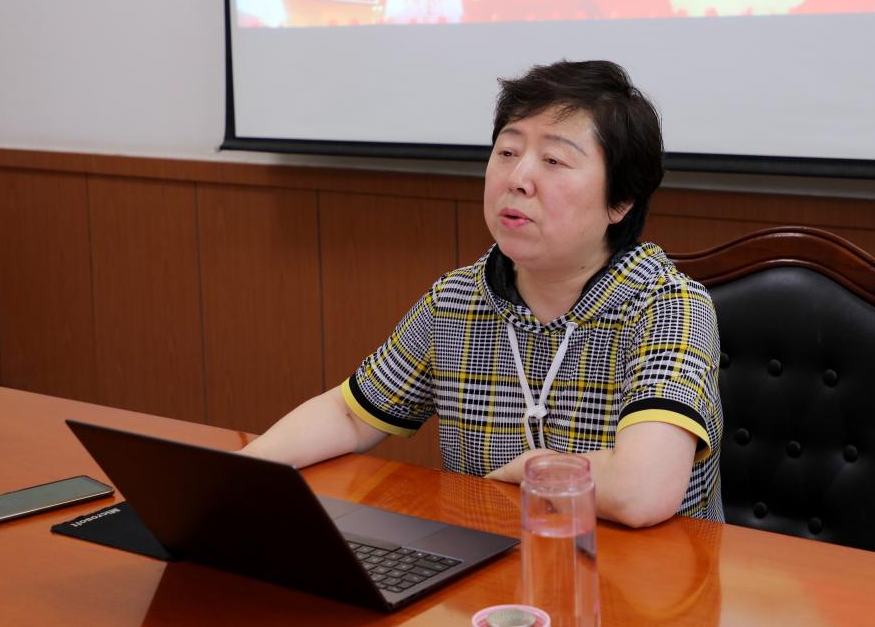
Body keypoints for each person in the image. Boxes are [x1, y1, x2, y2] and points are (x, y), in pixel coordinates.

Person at [243, 60, 723, 527]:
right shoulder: (458, 299)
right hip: (493, 567)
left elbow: (642, 491)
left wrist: (531, 469)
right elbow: (350, 416)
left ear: (620, 202)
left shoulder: (669, 307)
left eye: (553, 161)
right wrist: (243, 473)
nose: (517, 179)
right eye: (508, 152)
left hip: (642, 574)